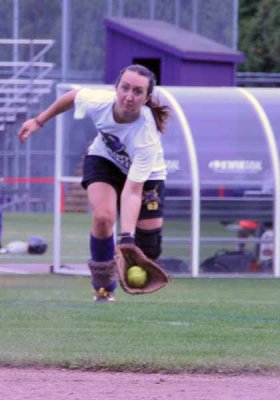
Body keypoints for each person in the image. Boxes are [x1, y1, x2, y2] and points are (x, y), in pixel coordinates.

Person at [18, 64, 171, 303]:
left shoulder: (146, 136)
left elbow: (132, 191)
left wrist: (127, 238)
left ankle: (138, 252)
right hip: (104, 160)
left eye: (138, 91)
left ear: (146, 97)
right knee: (103, 217)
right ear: (116, 87)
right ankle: (103, 286)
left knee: (149, 249)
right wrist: (39, 121)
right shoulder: (99, 102)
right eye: (125, 88)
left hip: (148, 176)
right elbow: (71, 96)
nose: (129, 96)